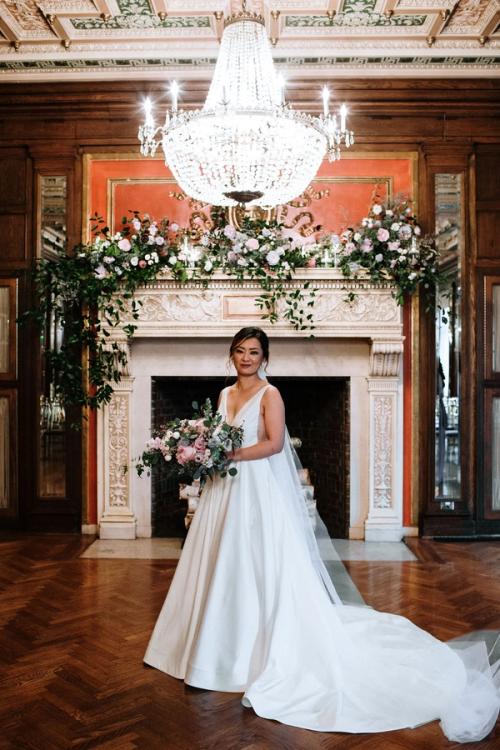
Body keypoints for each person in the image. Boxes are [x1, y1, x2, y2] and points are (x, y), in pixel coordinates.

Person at [144, 326, 499, 742]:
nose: (246, 358)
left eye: (254, 352)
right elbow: (221, 437)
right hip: (224, 489)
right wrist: (208, 453)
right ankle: (206, 649)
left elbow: (275, 445)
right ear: (232, 354)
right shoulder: (223, 396)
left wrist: (229, 453)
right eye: (240, 351)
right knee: (218, 561)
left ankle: (244, 654)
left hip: (254, 490)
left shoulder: (270, 395)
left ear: (264, 358)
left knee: (255, 563)